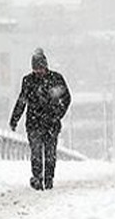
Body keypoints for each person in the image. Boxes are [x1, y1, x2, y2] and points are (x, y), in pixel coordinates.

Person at [9, 48, 71, 190]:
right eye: (36, 69)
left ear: (45, 66)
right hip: (34, 123)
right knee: (36, 152)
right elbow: (22, 101)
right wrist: (15, 119)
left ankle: (49, 179)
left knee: (50, 153)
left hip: (51, 123)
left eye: (40, 68)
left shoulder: (56, 79)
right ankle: (37, 178)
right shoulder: (28, 81)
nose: (39, 72)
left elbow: (66, 98)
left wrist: (57, 114)